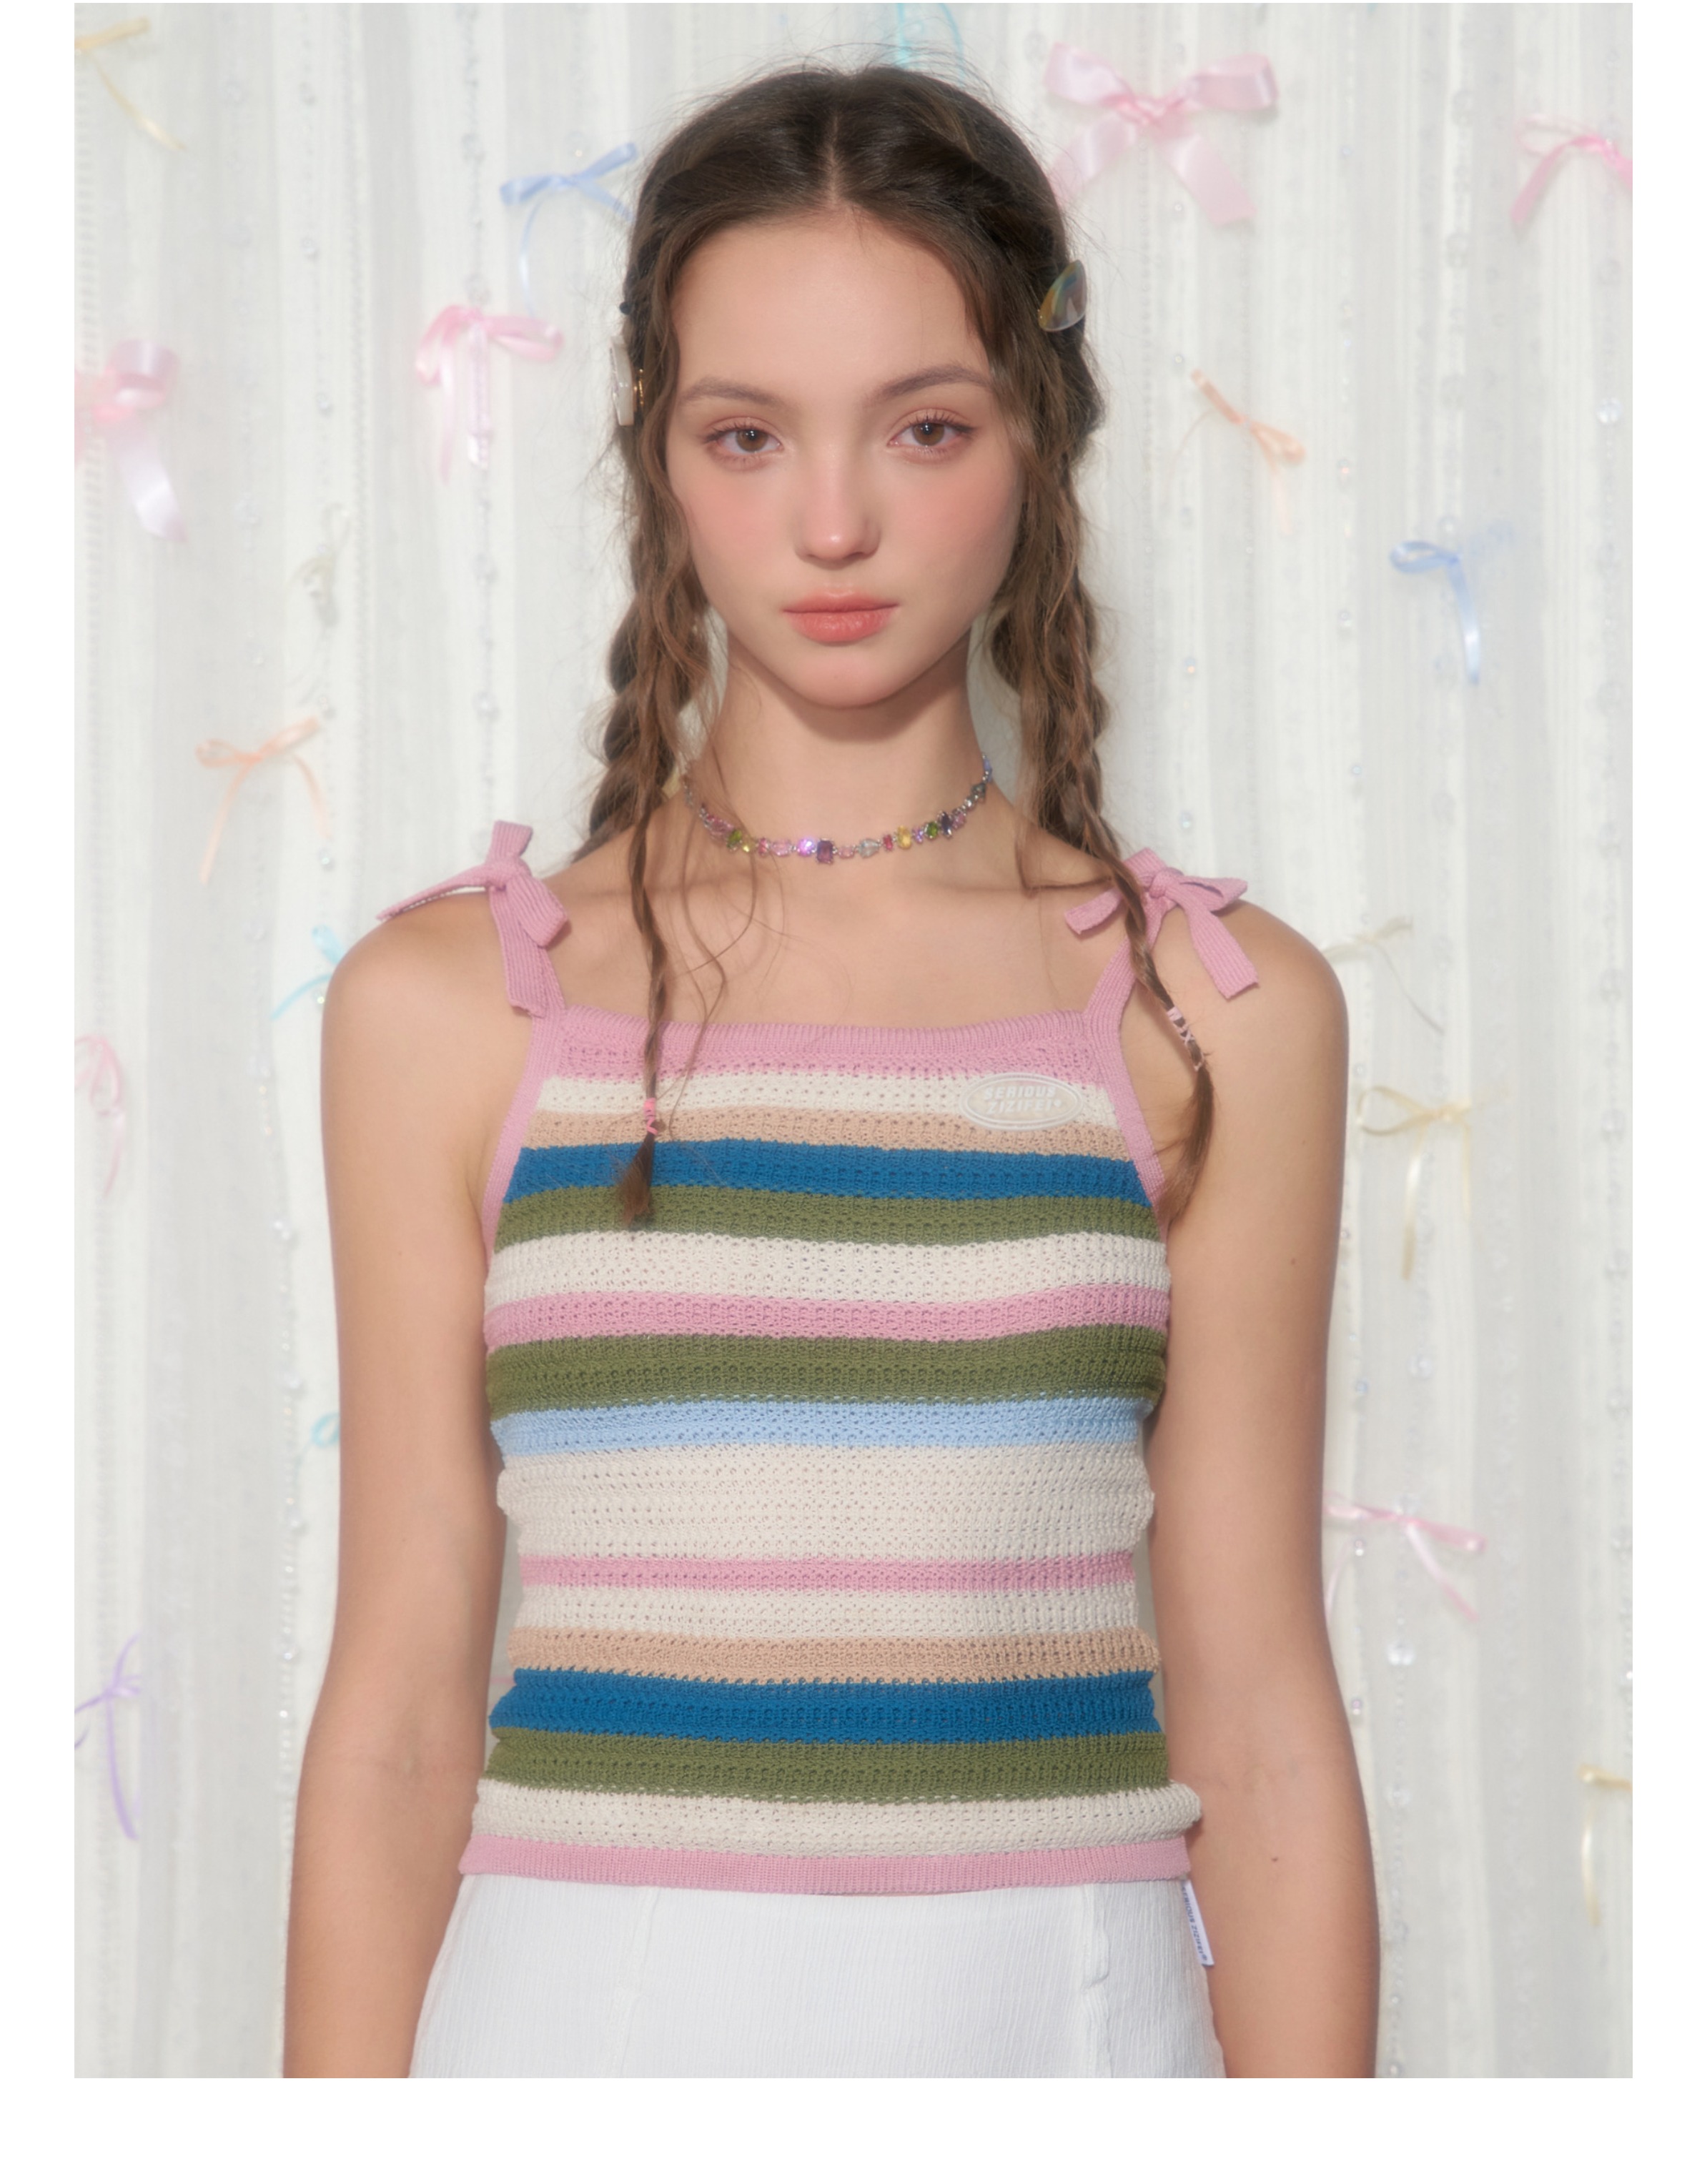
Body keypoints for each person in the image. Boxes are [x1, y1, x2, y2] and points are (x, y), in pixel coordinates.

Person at [284, 61, 1377, 2079]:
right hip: (577, 2045)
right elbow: (401, 1716)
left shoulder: (1213, 1008)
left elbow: (1259, 1713)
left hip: (1068, 2036)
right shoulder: (455, 1005)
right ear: (658, 450)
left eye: (926, 426)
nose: (835, 522)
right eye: (749, 433)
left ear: (1040, 431)